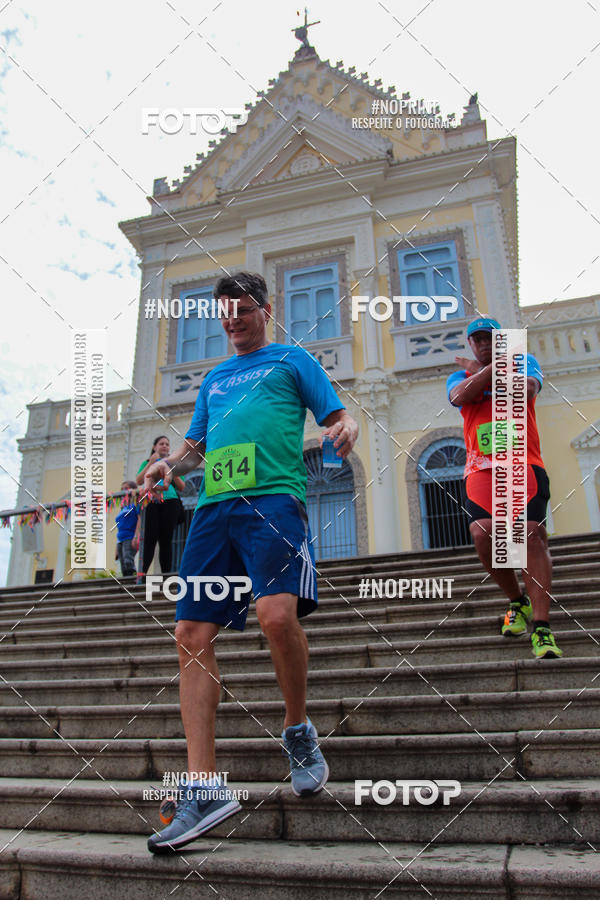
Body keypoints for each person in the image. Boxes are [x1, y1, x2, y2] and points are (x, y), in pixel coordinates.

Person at [144, 271, 359, 853]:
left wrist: (347, 428)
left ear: (267, 308)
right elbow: (195, 447)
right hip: (214, 510)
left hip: (273, 503)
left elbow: (335, 417)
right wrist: (171, 466)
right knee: (189, 631)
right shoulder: (214, 378)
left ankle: (296, 729)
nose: (233, 320)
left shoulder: (292, 360)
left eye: (243, 309)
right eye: (225, 313)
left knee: (276, 619)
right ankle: (205, 789)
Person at [447, 316, 562, 659]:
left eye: (491, 338)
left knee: (528, 534)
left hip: (524, 463)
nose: (483, 344)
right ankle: (518, 601)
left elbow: (526, 388)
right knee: (483, 533)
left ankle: (541, 627)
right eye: (477, 340)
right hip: (481, 469)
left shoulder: (525, 362)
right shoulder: (459, 374)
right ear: (470, 344)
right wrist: (493, 370)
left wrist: (482, 374)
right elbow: (458, 397)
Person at [135, 436, 185, 579]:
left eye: (167, 444)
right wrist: (151, 463)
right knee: (149, 539)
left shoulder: (173, 463)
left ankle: (166, 576)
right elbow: (139, 480)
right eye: (161, 444)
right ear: (154, 447)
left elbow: (182, 486)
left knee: (166, 540)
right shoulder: (147, 462)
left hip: (171, 502)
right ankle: (142, 574)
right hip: (152, 501)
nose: (164, 446)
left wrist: (171, 470)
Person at [114, 480, 139, 577]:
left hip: (130, 536)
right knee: (123, 563)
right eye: (122, 489)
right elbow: (119, 527)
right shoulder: (122, 507)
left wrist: (136, 536)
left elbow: (139, 520)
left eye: (126, 488)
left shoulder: (135, 504)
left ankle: (133, 581)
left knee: (128, 560)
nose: (124, 491)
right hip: (120, 539)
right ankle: (126, 584)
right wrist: (116, 547)